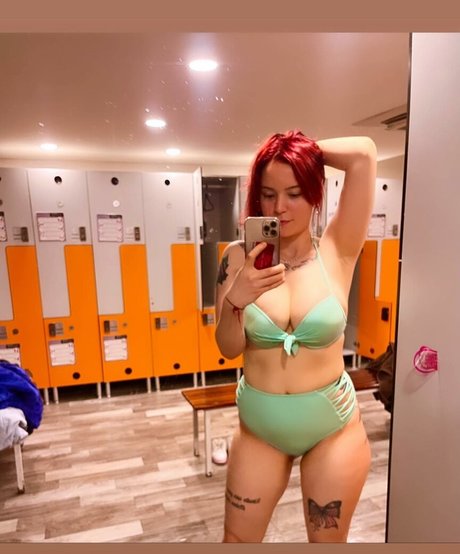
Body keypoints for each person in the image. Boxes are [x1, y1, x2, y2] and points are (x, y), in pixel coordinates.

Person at [214, 130, 377, 543]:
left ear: (315, 194)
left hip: (332, 430)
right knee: (236, 543)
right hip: (259, 430)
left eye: (295, 193)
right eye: (268, 194)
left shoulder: (338, 250)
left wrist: (296, 152)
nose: (279, 208)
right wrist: (236, 300)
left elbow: (363, 154)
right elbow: (228, 348)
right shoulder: (236, 257)